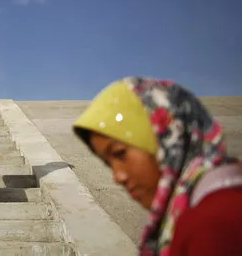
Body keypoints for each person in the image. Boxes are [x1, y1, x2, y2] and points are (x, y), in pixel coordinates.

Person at [72, 77, 242, 256]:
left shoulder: (211, 226)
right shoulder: (207, 211)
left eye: (120, 153)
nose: (118, 176)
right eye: (108, 164)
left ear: (165, 137)